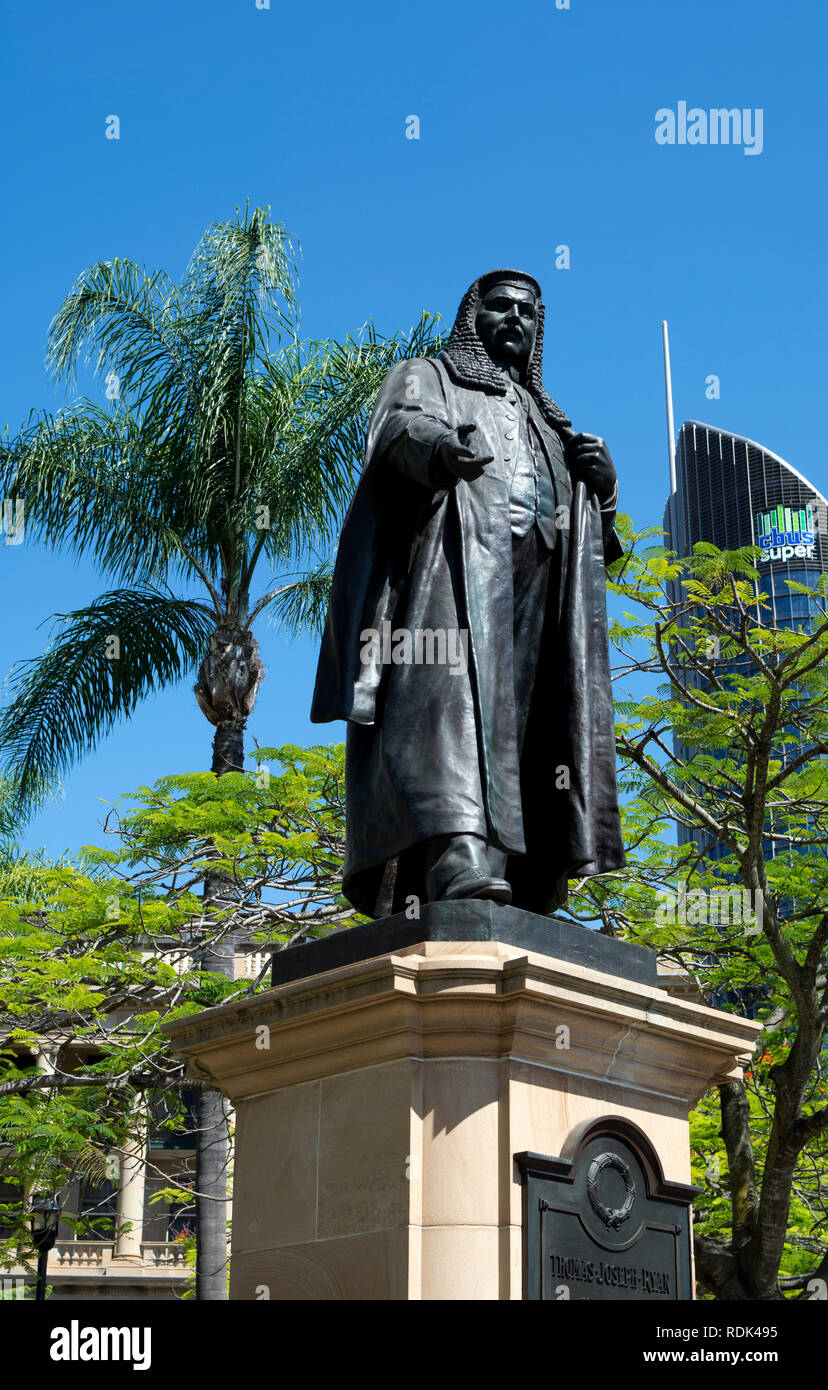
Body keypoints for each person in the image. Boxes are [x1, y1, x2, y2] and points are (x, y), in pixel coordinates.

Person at [311, 269, 625, 917]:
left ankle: (512, 870)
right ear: (472, 317)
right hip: (455, 567)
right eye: (501, 307)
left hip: (540, 580)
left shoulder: (549, 419)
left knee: (530, 727)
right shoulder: (430, 375)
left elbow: (598, 535)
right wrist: (440, 447)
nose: (516, 319)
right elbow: (398, 426)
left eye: (528, 313)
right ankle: (456, 855)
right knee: (446, 708)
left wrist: (605, 490)